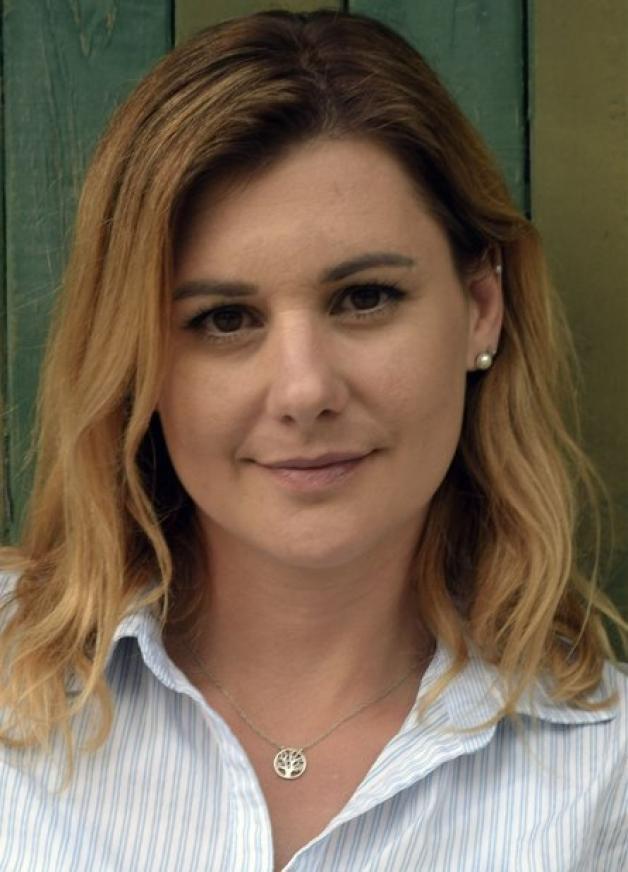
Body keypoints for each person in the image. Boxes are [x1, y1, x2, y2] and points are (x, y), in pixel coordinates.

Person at [0, 9, 626, 871]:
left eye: (364, 299)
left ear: (481, 308)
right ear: (136, 354)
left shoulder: (606, 776)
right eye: (224, 319)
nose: (304, 391)